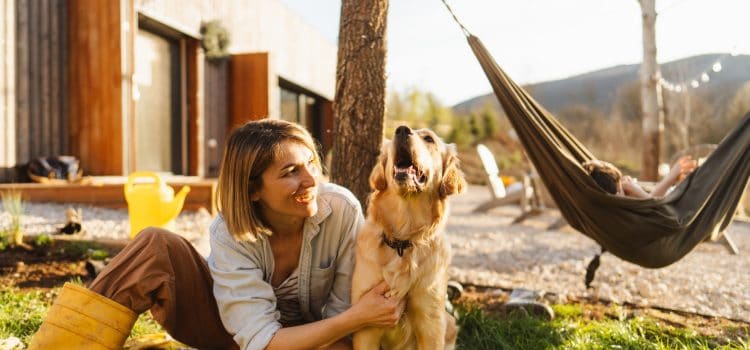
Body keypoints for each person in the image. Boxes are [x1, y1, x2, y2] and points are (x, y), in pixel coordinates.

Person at [28, 119, 402, 350]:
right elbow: (262, 339)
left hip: (321, 340)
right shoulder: (229, 233)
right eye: (290, 172)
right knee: (155, 244)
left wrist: (349, 323)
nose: (310, 182)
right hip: (234, 335)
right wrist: (354, 319)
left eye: (311, 165)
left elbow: (343, 312)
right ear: (253, 190)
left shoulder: (342, 211)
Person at [582, 155, 698, 198]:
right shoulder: (624, 210)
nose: (625, 182)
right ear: (617, 195)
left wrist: (670, 179)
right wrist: (636, 190)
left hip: (673, 195)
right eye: (620, 184)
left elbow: (652, 200)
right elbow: (657, 208)